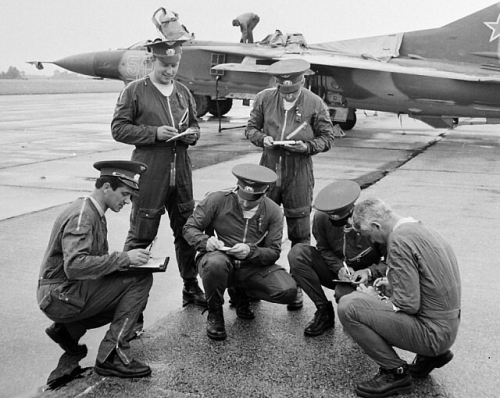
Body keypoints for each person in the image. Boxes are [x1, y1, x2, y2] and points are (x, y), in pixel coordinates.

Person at [111, 38, 206, 311]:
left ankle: (190, 286)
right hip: (149, 172)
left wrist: (192, 135)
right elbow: (118, 129)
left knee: (187, 232)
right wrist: (154, 134)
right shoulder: (135, 91)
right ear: (153, 61)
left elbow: (195, 124)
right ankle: (130, 303)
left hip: (182, 174)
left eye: (174, 65)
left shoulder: (183, 92)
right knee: (141, 235)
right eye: (165, 65)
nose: (170, 71)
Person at [37, 160, 154, 378]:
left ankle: (68, 330)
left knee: (128, 284)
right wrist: (124, 259)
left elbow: (92, 264)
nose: (127, 201)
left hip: (64, 291)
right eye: (125, 194)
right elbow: (75, 266)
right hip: (59, 295)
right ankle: (112, 356)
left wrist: (126, 263)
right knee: (140, 282)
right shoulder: (83, 216)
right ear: (106, 187)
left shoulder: (92, 211)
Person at [338, 197, 461, 398]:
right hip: (447, 328)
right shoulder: (422, 229)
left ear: (376, 225)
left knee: (348, 306)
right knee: (361, 303)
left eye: (368, 234)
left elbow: (407, 304)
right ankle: (430, 357)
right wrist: (393, 284)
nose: (371, 241)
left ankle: (395, 374)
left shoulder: (398, 240)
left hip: (434, 335)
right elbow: (430, 283)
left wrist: (372, 297)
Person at [183, 164, 298, 341]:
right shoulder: (216, 199)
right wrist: (205, 241)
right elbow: (189, 228)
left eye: (252, 200)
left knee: (288, 291)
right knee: (215, 264)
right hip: (220, 260)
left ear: (265, 192)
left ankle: (243, 292)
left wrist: (250, 251)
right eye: (242, 196)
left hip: (251, 265)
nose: (245, 202)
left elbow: (273, 252)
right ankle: (215, 313)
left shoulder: (274, 211)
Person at [246, 58, 336, 248]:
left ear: (302, 82)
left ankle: (299, 272)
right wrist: (262, 139)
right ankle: (262, 274)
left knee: (300, 230)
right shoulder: (264, 98)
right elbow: (251, 128)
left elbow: (327, 138)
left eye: (293, 92)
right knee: (261, 225)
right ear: (276, 83)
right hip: (268, 170)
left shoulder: (315, 103)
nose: (288, 97)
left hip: (299, 172)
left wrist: (307, 147)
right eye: (283, 91)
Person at [288, 180, 386, 337]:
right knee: (297, 253)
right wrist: (339, 267)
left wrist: (368, 272)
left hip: (364, 277)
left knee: (344, 296)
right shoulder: (321, 218)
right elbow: (323, 249)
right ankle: (323, 311)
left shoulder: (371, 222)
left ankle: (361, 315)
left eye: (348, 220)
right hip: (337, 271)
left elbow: (390, 262)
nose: (345, 224)